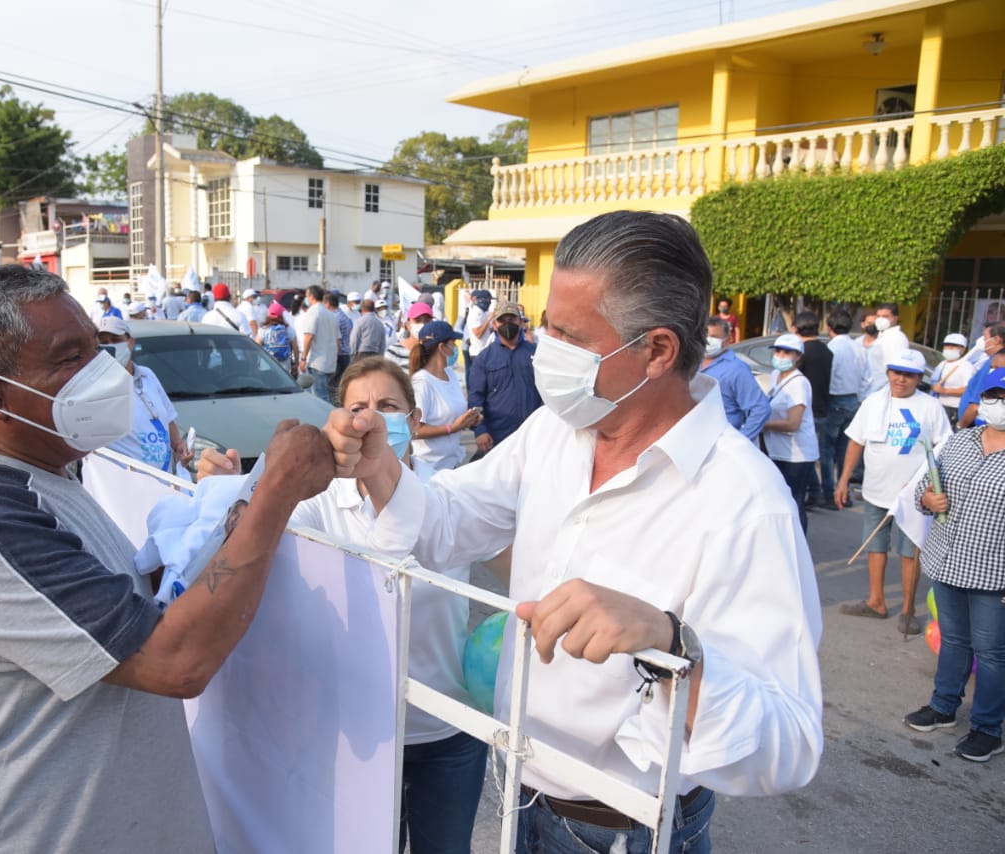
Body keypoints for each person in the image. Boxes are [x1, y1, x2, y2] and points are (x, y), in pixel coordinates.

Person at [323, 211, 823, 853]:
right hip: (523, 797)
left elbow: (789, 744)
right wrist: (380, 467)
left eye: (569, 336)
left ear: (657, 351)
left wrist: (669, 640)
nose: (544, 349)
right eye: (546, 326)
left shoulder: (744, 502)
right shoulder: (555, 433)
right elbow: (448, 521)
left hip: (626, 830)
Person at [0, 264, 334, 852]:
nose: (103, 370)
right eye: (69, 358)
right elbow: (176, 662)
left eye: (97, 347)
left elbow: (122, 608)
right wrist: (275, 491)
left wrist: (234, 509)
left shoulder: (45, 476)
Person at [198, 357, 488, 852]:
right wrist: (230, 491)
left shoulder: (449, 500)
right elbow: (262, 532)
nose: (370, 419)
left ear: (414, 418)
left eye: (387, 405)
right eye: (357, 408)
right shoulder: (320, 503)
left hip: (446, 731)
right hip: (358, 735)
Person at [903, 367, 1005, 763]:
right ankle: (943, 706)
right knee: (954, 641)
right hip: (947, 561)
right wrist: (927, 499)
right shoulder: (961, 440)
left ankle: (987, 728)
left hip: (994, 574)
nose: (998, 403)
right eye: (993, 395)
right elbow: (925, 487)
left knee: (992, 653)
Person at [835, 349, 952, 634]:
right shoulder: (873, 402)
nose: (901, 379)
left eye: (909, 375)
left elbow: (944, 448)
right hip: (875, 490)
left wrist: (928, 485)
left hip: (914, 498)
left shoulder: (930, 407)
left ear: (919, 379)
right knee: (874, 546)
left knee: (910, 552)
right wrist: (843, 479)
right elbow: (856, 442)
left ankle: (908, 610)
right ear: (888, 373)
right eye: (897, 373)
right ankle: (876, 602)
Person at [96, 316, 192, 476]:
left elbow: (168, 418)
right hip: (126, 483)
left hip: (165, 481)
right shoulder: (94, 386)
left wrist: (178, 445)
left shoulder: (148, 375)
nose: (110, 346)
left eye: (116, 340)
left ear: (131, 342)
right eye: (103, 342)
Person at [467, 302, 542, 460]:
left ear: (520, 322)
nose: (507, 324)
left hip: (532, 435)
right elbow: (475, 397)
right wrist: (480, 430)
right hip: (497, 437)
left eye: (512, 319)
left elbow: (547, 392)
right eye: (502, 320)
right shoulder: (484, 358)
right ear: (494, 325)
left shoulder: (536, 354)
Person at [762, 334, 818, 533]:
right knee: (778, 501)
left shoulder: (799, 383)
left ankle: (798, 544)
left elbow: (793, 423)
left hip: (796, 454)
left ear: (798, 356)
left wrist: (763, 425)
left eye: (786, 352)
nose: (780, 356)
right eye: (778, 351)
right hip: (777, 449)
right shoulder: (776, 375)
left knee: (794, 502)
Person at [409, 320, 481, 471]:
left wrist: (470, 419)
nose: (455, 347)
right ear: (442, 347)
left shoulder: (450, 374)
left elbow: (453, 413)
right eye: (453, 343)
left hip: (450, 464)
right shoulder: (422, 383)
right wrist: (452, 428)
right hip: (427, 467)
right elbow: (415, 430)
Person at [699, 316, 769, 444]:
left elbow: (760, 409)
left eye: (714, 337)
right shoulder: (693, 365)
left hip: (721, 443)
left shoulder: (736, 369)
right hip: (696, 440)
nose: (708, 341)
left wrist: (740, 441)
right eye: (705, 335)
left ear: (727, 340)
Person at [822, 310, 865, 507]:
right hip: (853, 399)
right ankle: (843, 492)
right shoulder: (858, 347)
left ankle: (830, 493)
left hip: (836, 399)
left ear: (829, 327)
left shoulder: (833, 347)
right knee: (844, 450)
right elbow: (866, 376)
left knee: (827, 449)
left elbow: (829, 376)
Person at [790, 311, 833, 508]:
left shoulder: (801, 353)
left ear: (796, 328)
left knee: (802, 454)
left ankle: (815, 492)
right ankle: (817, 491)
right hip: (822, 405)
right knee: (812, 453)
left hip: (805, 409)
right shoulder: (826, 350)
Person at [956, 324, 1005, 428]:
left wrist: (961, 426)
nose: (982, 341)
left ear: (996, 339)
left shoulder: (992, 364)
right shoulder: (989, 361)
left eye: (984, 337)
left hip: (975, 426)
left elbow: (975, 404)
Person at [298, 284, 340, 403]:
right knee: (325, 395)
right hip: (329, 362)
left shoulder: (313, 312)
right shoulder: (331, 314)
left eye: (307, 296)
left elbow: (309, 336)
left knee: (320, 398)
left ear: (311, 296)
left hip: (317, 362)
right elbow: (338, 341)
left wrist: (303, 358)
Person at [863, 303, 908, 396]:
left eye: (885, 316)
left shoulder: (896, 338)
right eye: (878, 316)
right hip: (871, 391)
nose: (880, 319)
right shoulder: (882, 336)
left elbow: (895, 369)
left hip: (882, 392)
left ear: (895, 318)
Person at [930, 333, 973, 423]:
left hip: (954, 409)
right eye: (947, 345)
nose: (949, 348)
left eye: (954, 346)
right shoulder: (942, 364)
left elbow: (969, 389)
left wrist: (945, 391)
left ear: (963, 349)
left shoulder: (965, 366)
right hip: (938, 405)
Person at [258, 300, 297, 375]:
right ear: (281, 314)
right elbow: (295, 347)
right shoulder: (288, 329)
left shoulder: (263, 329)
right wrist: (296, 364)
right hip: (284, 367)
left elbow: (257, 345)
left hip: (267, 366)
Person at [326, 292, 354, 395]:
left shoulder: (334, 318)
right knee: (339, 383)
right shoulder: (343, 315)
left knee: (333, 385)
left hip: (339, 354)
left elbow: (335, 339)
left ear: (328, 303)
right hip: (345, 352)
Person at [463, 289, 493, 374]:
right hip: (477, 352)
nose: (489, 303)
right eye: (488, 300)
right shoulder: (474, 314)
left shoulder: (485, 313)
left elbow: (489, 331)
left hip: (486, 351)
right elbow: (478, 334)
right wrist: (488, 319)